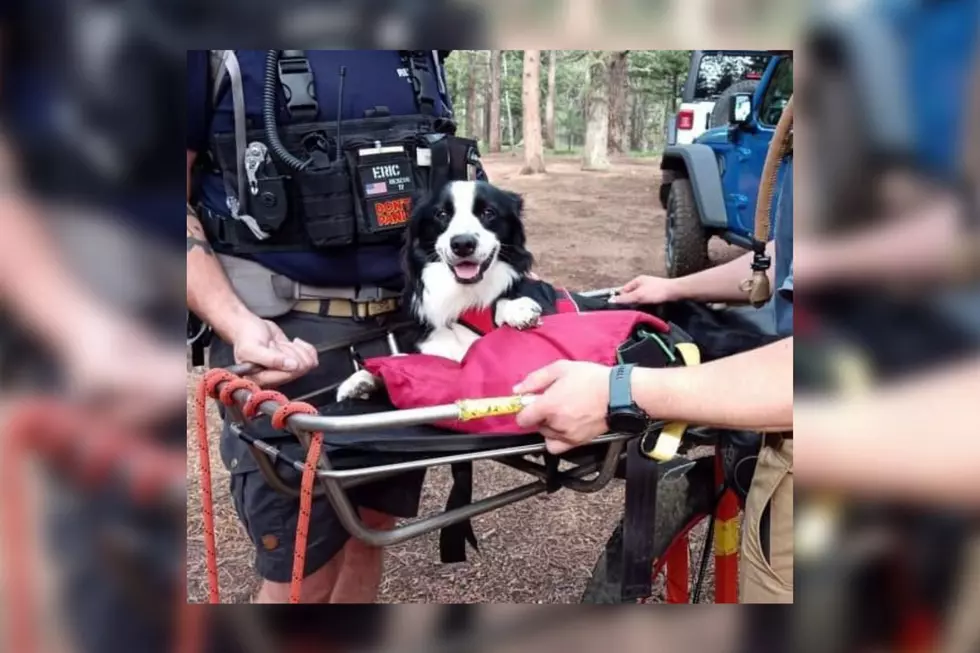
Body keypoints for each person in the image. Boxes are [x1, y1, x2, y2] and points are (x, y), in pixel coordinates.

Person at [186, 49, 478, 603]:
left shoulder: (420, 49)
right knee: (301, 576)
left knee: (370, 533)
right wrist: (237, 323)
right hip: (284, 343)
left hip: (405, 338)